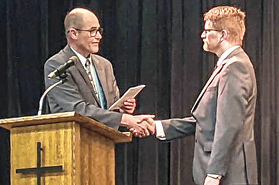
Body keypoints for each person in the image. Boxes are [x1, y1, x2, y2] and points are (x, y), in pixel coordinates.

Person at [138, 5, 258, 185]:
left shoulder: (235, 67)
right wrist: (158, 127)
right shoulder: (228, 65)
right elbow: (206, 120)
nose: (202, 35)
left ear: (223, 35)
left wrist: (215, 173)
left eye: (207, 30)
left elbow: (229, 125)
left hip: (230, 175)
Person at [44, 7, 154, 136]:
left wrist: (122, 109)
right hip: (72, 141)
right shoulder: (58, 65)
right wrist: (125, 120)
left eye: (99, 31)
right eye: (92, 31)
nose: (99, 36)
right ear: (74, 33)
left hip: (103, 143)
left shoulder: (104, 65)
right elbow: (77, 109)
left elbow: (110, 108)